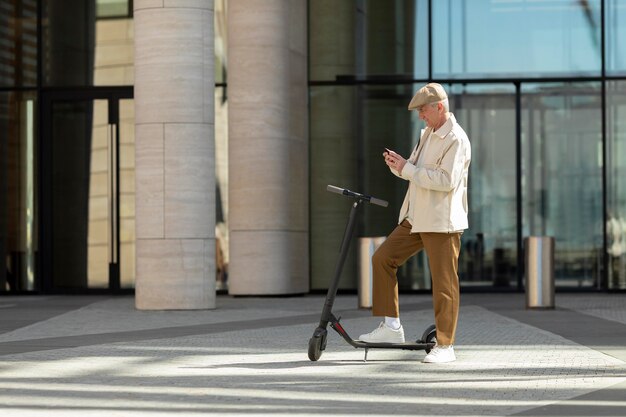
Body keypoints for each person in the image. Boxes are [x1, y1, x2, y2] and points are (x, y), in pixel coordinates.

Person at [358, 82, 471, 364]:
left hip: (441, 222)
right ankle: (392, 328)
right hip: (416, 218)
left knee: (444, 284)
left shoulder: (456, 138)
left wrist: (409, 169)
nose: (421, 116)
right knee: (382, 259)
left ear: (439, 107)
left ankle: (446, 346)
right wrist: (401, 166)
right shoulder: (428, 134)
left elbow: (446, 181)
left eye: (423, 111)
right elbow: (416, 173)